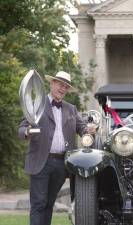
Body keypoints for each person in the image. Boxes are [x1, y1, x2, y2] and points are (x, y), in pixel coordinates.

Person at [18, 71, 95, 225]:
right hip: (41, 161)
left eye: (66, 86)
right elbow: (22, 128)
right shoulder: (36, 104)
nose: (63, 88)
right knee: (39, 203)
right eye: (60, 84)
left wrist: (89, 130)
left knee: (48, 204)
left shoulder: (71, 109)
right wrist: (26, 132)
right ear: (52, 83)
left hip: (61, 164)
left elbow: (82, 129)